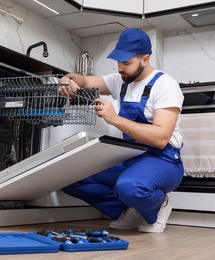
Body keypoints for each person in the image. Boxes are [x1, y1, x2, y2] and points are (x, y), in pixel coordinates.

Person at [59, 28, 184, 233]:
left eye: (126, 63)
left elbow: (161, 138)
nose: (120, 68)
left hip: (164, 160)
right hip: (130, 156)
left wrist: (115, 119)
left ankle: (160, 204)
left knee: (130, 187)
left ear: (145, 58)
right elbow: (86, 81)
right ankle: (129, 210)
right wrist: (67, 79)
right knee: (69, 176)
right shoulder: (121, 81)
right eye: (118, 62)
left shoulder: (165, 86)